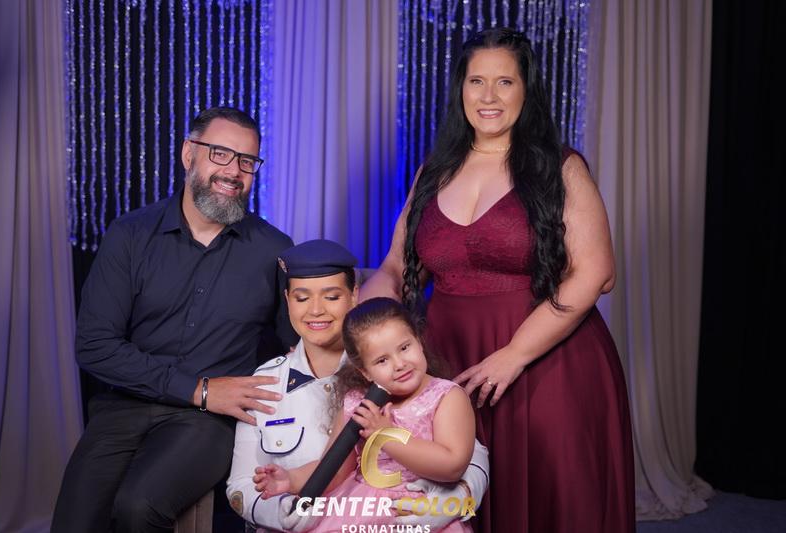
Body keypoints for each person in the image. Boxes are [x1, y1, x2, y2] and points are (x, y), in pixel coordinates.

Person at [360, 28, 635, 533]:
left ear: (526, 91)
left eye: (505, 82)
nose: (488, 96)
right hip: (450, 361)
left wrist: (515, 354)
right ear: (460, 90)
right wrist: (364, 328)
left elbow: (598, 272)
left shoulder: (560, 167)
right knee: (454, 499)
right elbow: (395, 266)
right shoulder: (433, 172)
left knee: (551, 498)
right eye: (476, 81)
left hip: (547, 363)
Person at [52, 107, 298, 533]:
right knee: (75, 521)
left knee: (138, 506)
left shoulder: (273, 249)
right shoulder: (130, 234)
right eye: (220, 154)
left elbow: (297, 344)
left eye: (247, 161)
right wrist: (199, 389)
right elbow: (94, 345)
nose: (233, 171)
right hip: (125, 405)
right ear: (189, 154)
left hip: (210, 422)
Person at [227, 240, 489, 532]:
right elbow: (332, 468)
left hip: (416, 510)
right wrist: (290, 483)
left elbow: (465, 457)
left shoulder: (440, 392)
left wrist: (460, 496)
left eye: (331, 296)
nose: (316, 310)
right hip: (352, 513)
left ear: (354, 295)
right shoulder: (272, 382)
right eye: (302, 298)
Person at [254, 297, 477, 532]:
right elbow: (335, 469)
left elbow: (452, 465)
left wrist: (386, 436)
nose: (399, 364)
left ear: (419, 341)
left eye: (404, 348)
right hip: (361, 512)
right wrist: (291, 479)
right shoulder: (358, 403)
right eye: (382, 360)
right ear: (365, 371)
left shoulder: (446, 397)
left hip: (421, 511)